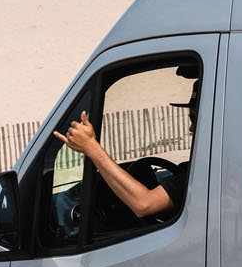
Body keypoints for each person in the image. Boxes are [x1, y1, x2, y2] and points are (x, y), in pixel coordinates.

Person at [53, 75, 198, 219]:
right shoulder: (196, 169)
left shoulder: (204, 173)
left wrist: (91, 148)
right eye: (190, 118)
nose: (191, 128)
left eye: (194, 118)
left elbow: (144, 204)